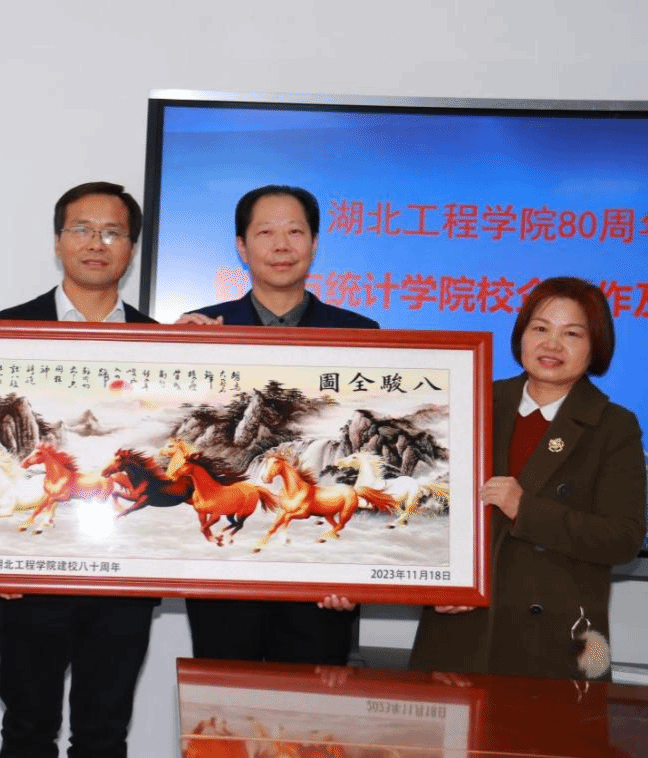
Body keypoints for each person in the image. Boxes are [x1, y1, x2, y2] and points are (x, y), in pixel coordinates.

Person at [0, 181, 158, 758]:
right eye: (81, 229)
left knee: (104, 736)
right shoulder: (2, 331)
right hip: (27, 578)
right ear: (58, 240)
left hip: (125, 578)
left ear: (131, 248)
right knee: (26, 731)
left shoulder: (163, 345)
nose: (95, 243)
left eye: (112, 232)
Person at [176, 184, 374, 664]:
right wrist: (173, 356)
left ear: (314, 244)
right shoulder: (203, 332)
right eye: (265, 233)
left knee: (312, 709)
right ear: (242, 247)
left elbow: (365, 454)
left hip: (321, 581)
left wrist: (358, 568)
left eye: (294, 232)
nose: (281, 246)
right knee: (221, 706)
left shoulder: (361, 336)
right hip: (225, 577)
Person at [410, 276, 646, 680]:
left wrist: (526, 510)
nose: (551, 345)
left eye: (571, 334)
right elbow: (422, 513)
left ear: (596, 347)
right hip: (461, 633)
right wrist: (437, 587)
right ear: (521, 335)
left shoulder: (613, 427)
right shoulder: (472, 401)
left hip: (557, 641)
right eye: (540, 329)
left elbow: (623, 539)